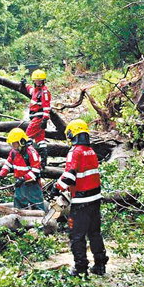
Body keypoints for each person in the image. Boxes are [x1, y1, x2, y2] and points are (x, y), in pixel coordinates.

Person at [55, 119, 108, 277]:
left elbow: (70, 176)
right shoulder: (90, 151)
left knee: (77, 236)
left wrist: (57, 186)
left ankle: (80, 267)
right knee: (94, 233)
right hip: (95, 199)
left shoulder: (75, 151)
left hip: (81, 201)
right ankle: (100, 264)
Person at [0, 128, 46, 211]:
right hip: (19, 183)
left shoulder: (31, 152)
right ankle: (20, 221)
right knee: (19, 206)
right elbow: (8, 164)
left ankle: (39, 220)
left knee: (37, 204)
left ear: (21, 141)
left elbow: (36, 170)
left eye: (14, 143)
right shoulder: (13, 152)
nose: (13, 145)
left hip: (31, 183)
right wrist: (1, 175)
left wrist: (24, 178)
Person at [22, 69, 52, 168]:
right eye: (36, 80)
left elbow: (47, 106)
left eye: (40, 80)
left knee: (27, 137)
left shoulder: (44, 91)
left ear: (43, 81)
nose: (38, 82)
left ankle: (29, 160)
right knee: (40, 140)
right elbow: (30, 90)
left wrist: (45, 119)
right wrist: (25, 84)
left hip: (38, 118)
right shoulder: (36, 90)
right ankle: (43, 162)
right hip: (36, 117)